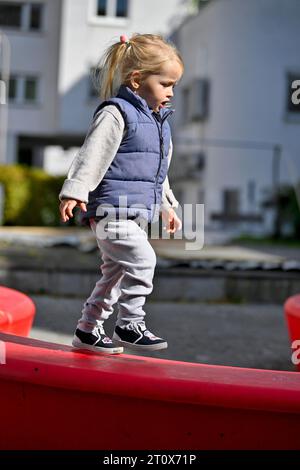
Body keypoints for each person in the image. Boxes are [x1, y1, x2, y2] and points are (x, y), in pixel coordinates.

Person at [59, 33, 183, 355]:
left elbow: (159, 172)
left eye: (174, 86)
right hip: (110, 212)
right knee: (143, 260)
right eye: (165, 84)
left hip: (133, 215)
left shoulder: (158, 123)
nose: (170, 93)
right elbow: (92, 154)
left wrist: (168, 205)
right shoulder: (117, 113)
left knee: (113, 276)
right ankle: (130, 323)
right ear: (138, 79)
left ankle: (87, 329)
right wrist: (75, 190)